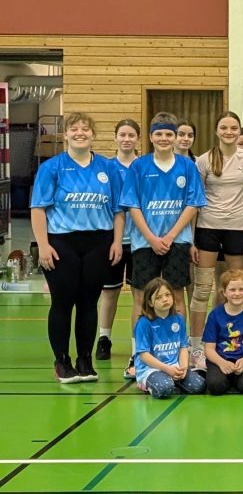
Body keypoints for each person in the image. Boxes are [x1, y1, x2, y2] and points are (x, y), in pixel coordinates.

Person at [31, 112, 125, 383]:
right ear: (66, 134)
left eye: (86, 129)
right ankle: (62, 361)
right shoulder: (52, 167)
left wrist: (117, 241)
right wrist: (44, 245)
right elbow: (39, 208)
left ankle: (85, 358)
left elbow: (119, 210)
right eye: (74, 129)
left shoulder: (108, 168)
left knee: (88, 303)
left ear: (93, 135)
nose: (80, 133)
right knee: (63, 302)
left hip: (99, 242)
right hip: (62, 242)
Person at [120, 112, 206, 377]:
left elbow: (193, 204)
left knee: (177, 296)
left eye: (169, 134)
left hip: (177, 241)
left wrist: (170, 236)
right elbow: (132, 205)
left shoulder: (187, 167)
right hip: (144, 242)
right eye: (159, 134)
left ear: (176, 136)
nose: (165, 138)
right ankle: (137, 356)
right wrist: (151, 238)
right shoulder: (139, 166)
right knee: (140, 298)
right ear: (150, 137)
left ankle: (184, 353)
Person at [191, 111, 243, 370]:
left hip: (236, 229)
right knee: (203, 289)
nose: (229, 132)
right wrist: (193, 239)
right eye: (224, 128)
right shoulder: (204, 161)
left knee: (237, 288)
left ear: (240, 131)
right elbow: (195, 202)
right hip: (208, 227)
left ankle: (242, 341)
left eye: (234, 128)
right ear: (216, 131)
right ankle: (196, 346)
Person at [96, 118, 140, 363]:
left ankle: (137, 347)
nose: (126, 139)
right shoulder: (106, 167)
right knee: (109, 293)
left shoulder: (143, 166)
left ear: (138, 139)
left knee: (139, 295)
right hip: (112, 240)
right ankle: (104, 338)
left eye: (131, 135)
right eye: (122, 134)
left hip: (139, 241)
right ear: (115, 137)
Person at [133, 277, 206, 398]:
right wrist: (166, 369)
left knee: (199, 386)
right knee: (164, 389)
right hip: (151, 369)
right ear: (150, 303)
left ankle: (173, 380)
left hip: (174, 367)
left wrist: (183, 367)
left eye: (167, 295)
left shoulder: (178, 318)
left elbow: (183, 347)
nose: (165, 299)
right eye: (158, 297)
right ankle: (144, 383)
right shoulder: (144, 323)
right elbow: (143, 355)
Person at [202, 268, 243, 395]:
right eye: (232, 290)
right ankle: (225, 378)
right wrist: (222, 363)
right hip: (220, 359)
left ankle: (241, 379)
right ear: (224, 292)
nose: (237, 293)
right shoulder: (215, 315)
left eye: (241, 289)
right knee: (216, 386)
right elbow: (209, 349)